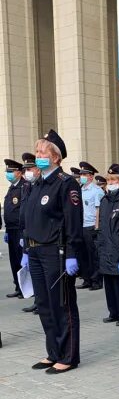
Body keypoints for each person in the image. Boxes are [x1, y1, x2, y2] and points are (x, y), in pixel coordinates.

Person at [23, 129, 83, 373]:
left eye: (42, 152)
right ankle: (53, 351)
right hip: (36, 252)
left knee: (62, 304)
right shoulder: (37, 184)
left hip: (55, 252)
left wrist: (71, 253)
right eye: (37, 151)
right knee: (45, 304)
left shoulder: (65, 184)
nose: (38, 156)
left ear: (56, 157)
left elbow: (72, 222)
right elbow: (29, 218)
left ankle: (68, 356)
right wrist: (26, 247)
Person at [98, 163, 119, 326]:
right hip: (105, 248)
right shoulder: (104, 200)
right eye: (109, 180)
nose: (111, 183)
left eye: (114, 180)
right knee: (109, 284)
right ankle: (113, 312)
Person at [76, 162, 104, 291]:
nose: (82, 176)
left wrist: (97, 226)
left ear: (91, 177)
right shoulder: (79, 190)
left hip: (91, 226)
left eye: (84, 174)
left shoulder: (96, 191)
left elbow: (99, 209)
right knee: (83, 255)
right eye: (81, 174)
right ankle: (87, 279)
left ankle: (96, 281)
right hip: (81, 226)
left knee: (94, 256)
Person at [3, 159, 28, 298]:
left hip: (20, 229)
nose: (8, 174)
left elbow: (23, 210)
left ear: (19, 172)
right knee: (14, 260)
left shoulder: (24, 186)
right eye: (7, 172)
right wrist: (6, 230)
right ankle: (18, 286)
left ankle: (26, 289)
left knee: (21, 259)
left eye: (11, 172)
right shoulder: (12, 187)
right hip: (11, 229)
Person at [20, 153, 41, 315]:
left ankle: (43, 303)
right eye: (25, 169)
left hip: (40, 237)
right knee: (34, 272)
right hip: (27, 234)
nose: (27, 172)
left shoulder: (40, 185)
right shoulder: (27, 186)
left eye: (30, 168)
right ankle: (38, 300)